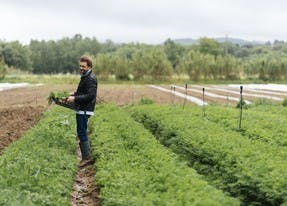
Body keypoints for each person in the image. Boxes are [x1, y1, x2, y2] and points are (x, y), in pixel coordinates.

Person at [67, 55, 97, 165]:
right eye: (80, 66)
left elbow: (90, 95)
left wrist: (75, 98)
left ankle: (87, 157)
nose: (81, 68)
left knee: (81, 132)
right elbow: (83, 93)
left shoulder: (90, 78)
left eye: (83, 66)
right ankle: (86, 155)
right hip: (82, 109)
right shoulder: (85, 76)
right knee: (81, 131)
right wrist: (74, 94)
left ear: (89, 66)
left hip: (85, 109)